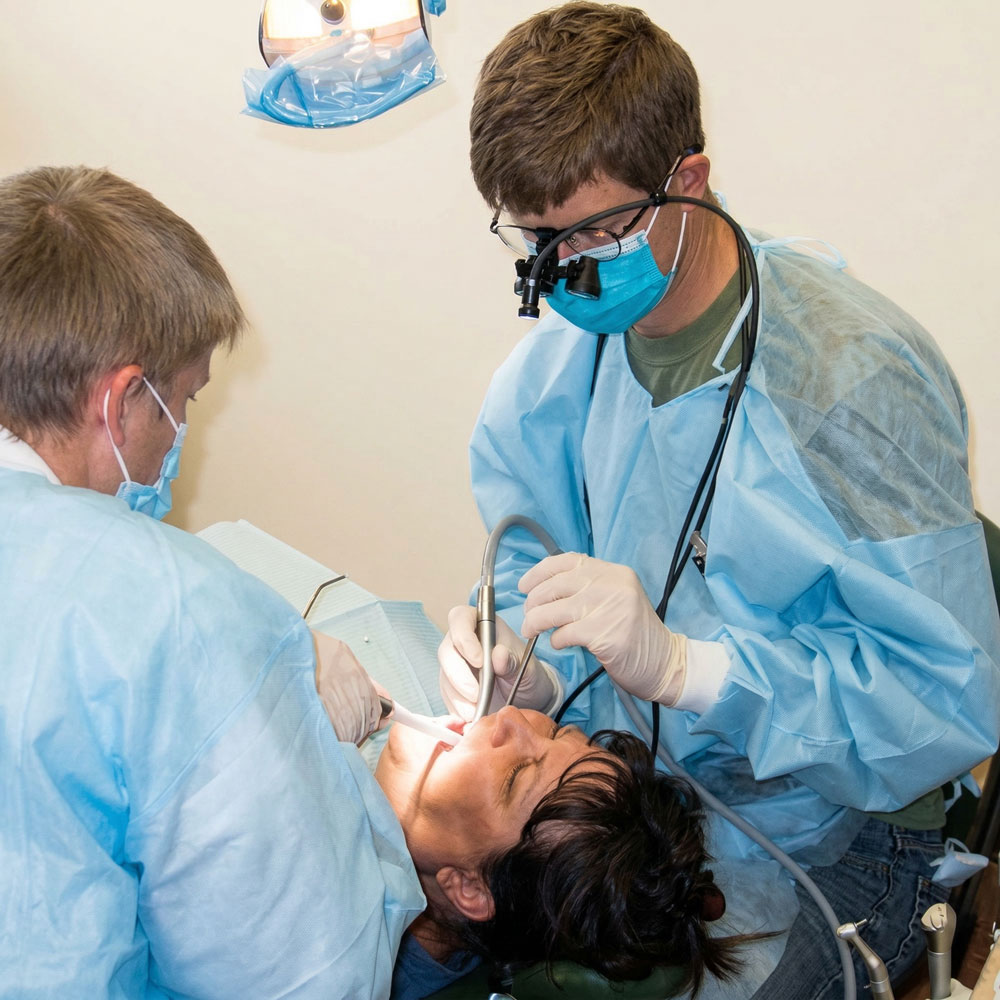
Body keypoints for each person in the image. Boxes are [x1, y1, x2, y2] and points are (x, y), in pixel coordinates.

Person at [438, 4, 1000, 998]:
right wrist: (522, 660)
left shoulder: (849, 384)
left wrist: (695, 670)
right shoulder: (546, 383)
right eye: (534, 238)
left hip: (850, 816)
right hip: (649, 791)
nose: (558, 273)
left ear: (685, 182)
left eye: (592, 232)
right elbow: (535, 577)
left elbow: (945, 702)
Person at [0, 165, 422, 998]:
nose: (182, 431)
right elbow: (300, 975)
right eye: (183, 399)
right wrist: (318, 767)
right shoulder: (178, 611)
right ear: (121, 402)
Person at [374, 705, 742, 999]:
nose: (511, 716)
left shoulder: (339, 962)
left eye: (517, 774)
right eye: (555, 731)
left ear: (470, 888)